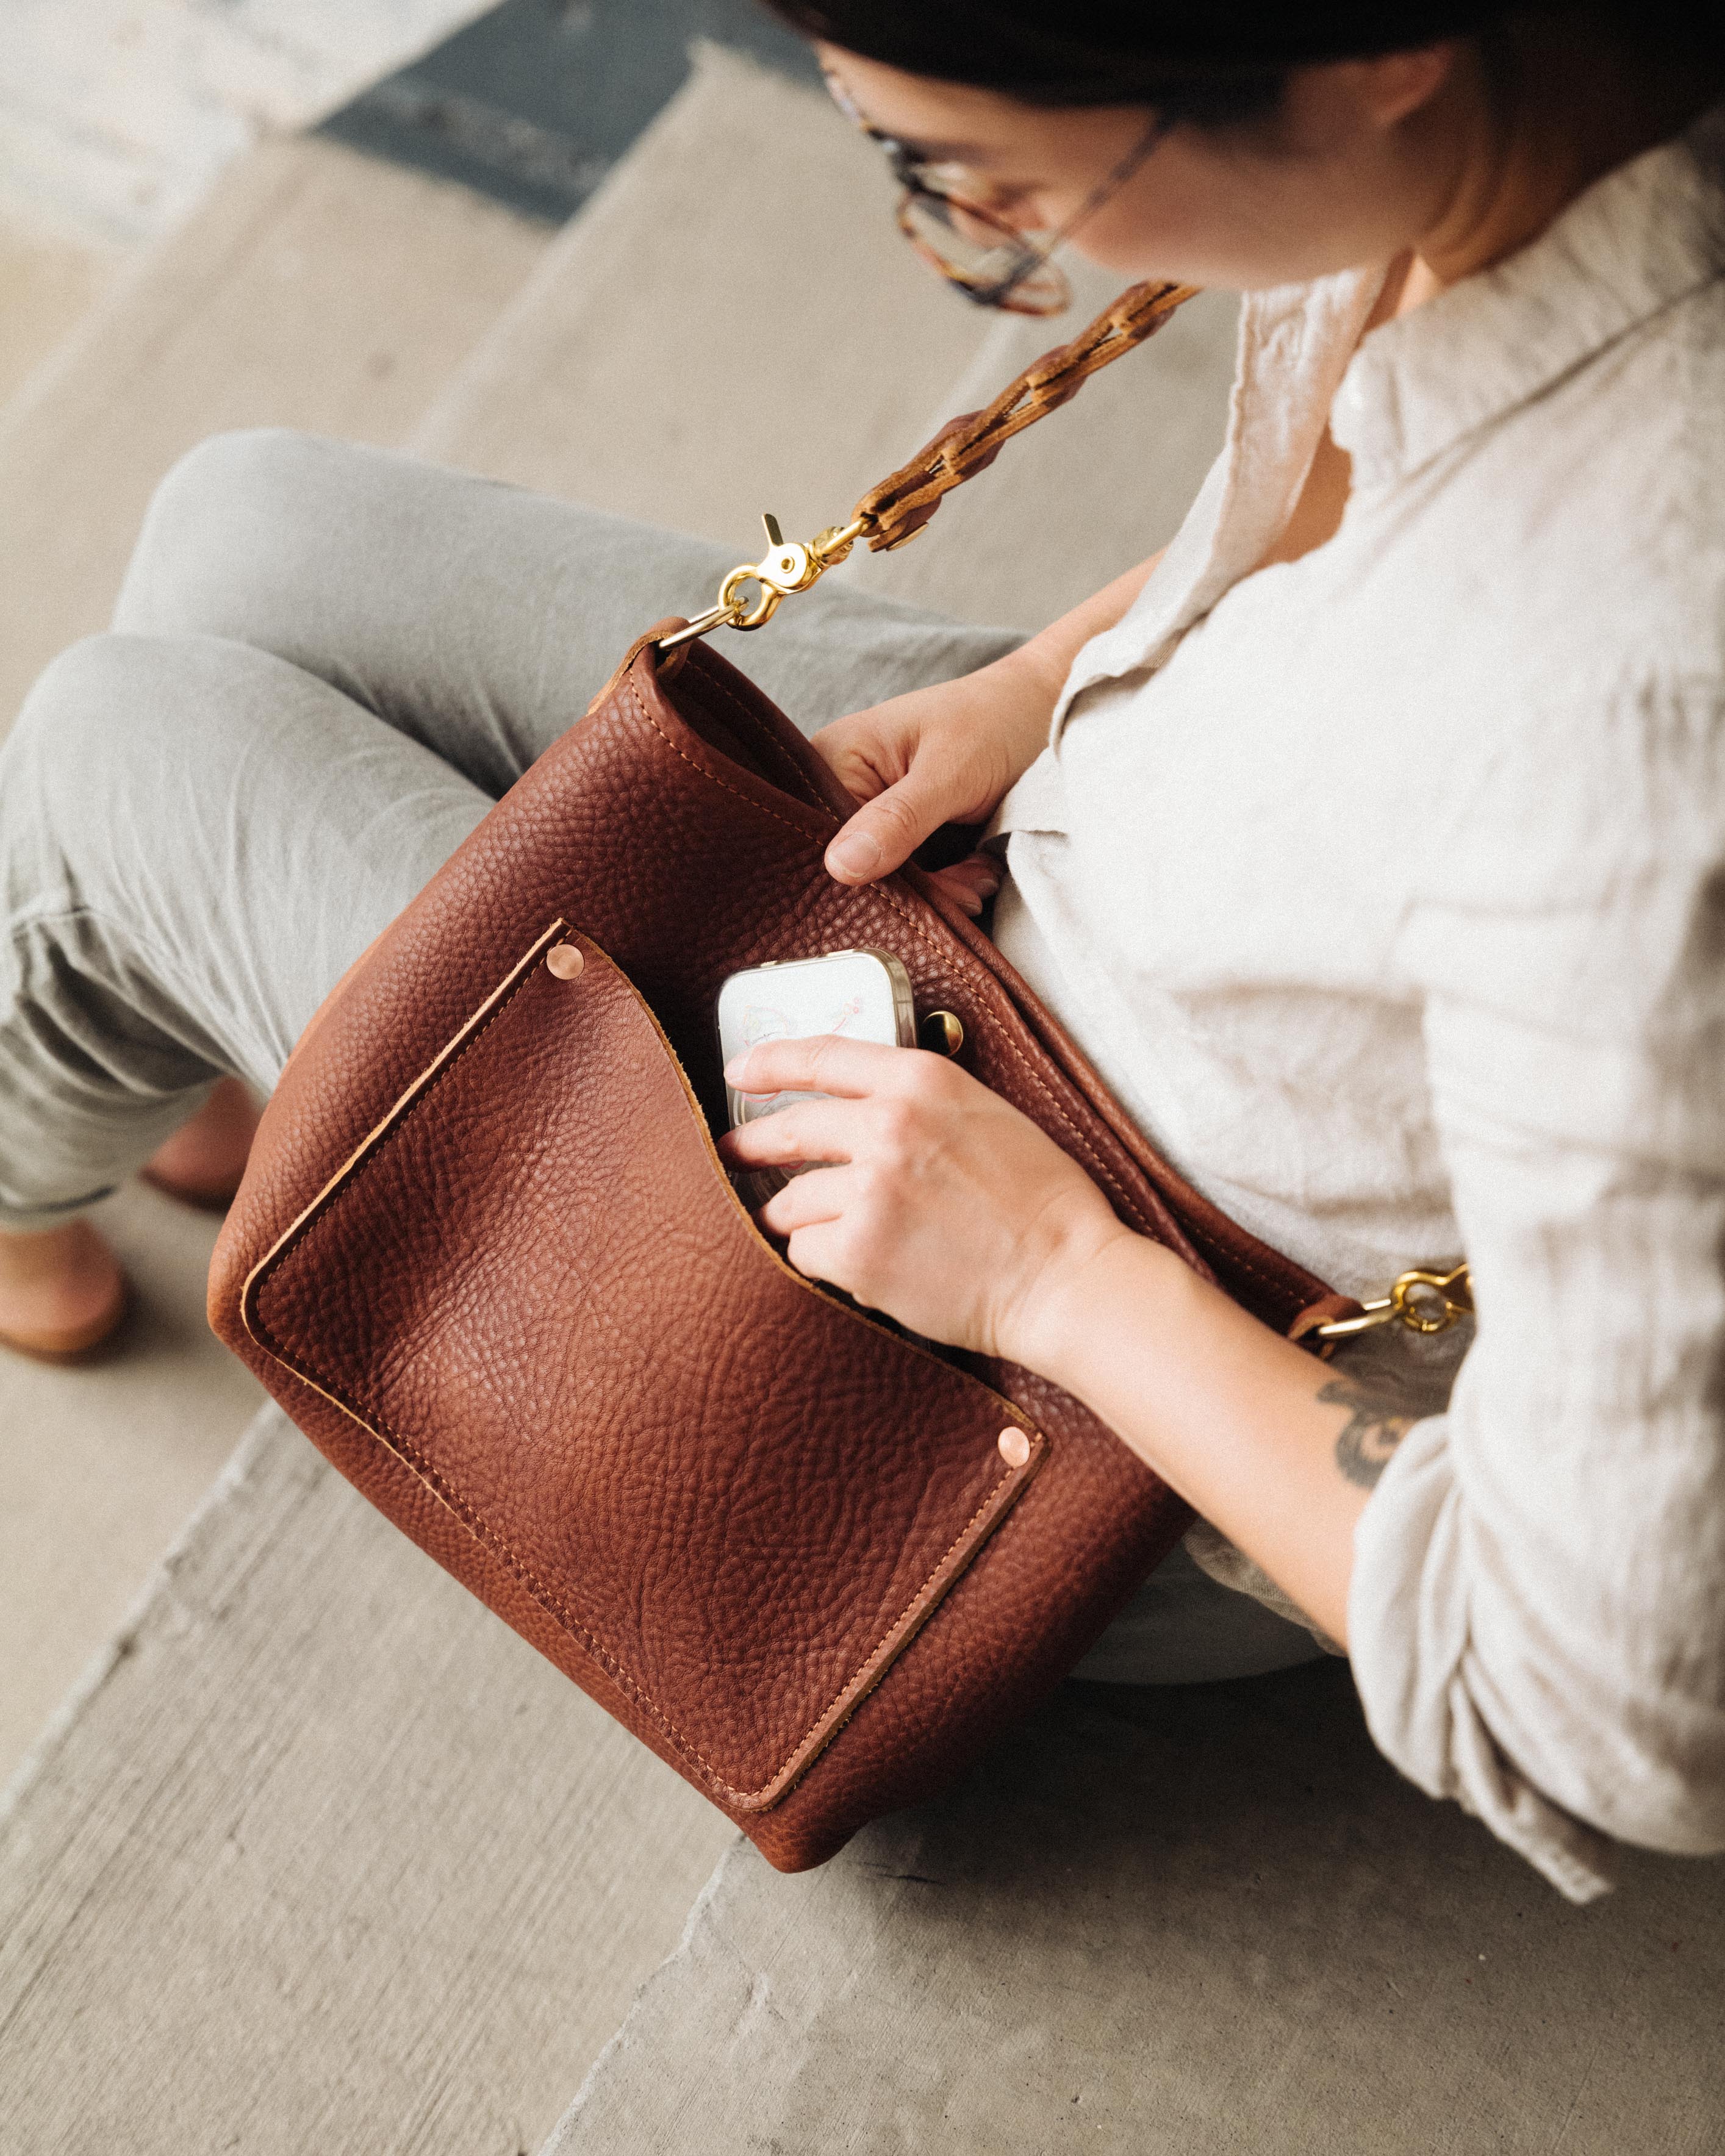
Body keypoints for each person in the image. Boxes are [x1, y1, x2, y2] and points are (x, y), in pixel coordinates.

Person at [2, 1, 1721, 1901]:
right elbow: (1372, 486)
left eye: (985, 184)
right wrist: (1039, 678)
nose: (1012, 247)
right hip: (1126, 813)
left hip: (1115, 1334)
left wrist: (1058, 1282)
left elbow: (1624, 1705)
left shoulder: (1633, 734)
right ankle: (178, 1034)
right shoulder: (1557, 115)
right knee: (237, 525)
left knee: (110, 754)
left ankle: (35, 1144)